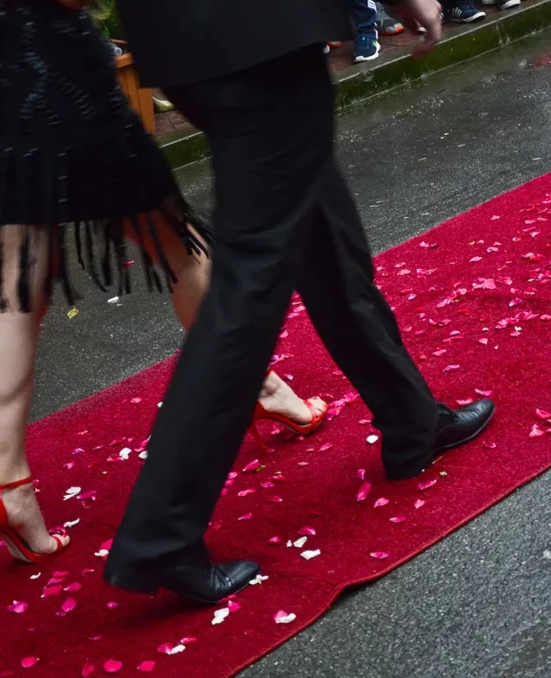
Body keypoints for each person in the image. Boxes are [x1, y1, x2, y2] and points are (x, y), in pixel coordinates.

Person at [104, 0, 495, 605]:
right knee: (248, 287)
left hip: (184, 41)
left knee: (319, 224)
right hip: (259, 33)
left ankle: (411, 418)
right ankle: (162, 536)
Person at [0, 0, 326, 573]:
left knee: (17, 295)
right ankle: (260, 388)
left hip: (0, 85)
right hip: (68, 82)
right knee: (179, 247)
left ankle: (9, 486)